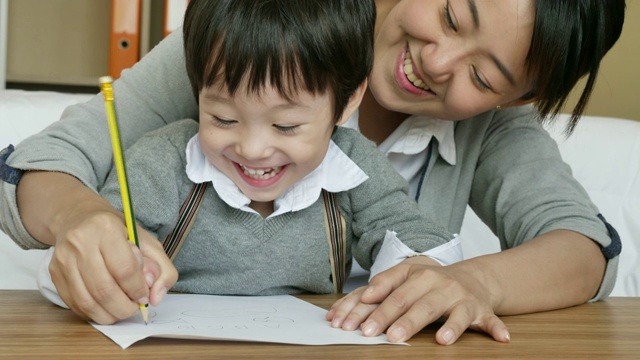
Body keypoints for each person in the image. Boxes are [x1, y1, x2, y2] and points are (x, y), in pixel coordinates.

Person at [0, 0, 625, 345]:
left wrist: (478, 282)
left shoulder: (491, 128)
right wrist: (85, 217)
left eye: (484, 77)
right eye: (453, 16)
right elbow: (39, 165)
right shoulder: (250, 44)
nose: (437, 61)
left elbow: (586, 249)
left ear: (511, 99)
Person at [37, 0, 460, 310]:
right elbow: (89, 248)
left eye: (286, 126)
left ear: (348, 101)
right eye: (222, 117)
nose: (253, 149)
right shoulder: (162, 162)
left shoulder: (355, 167)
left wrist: (420, 268)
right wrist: (111, 264)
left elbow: (409, 235)